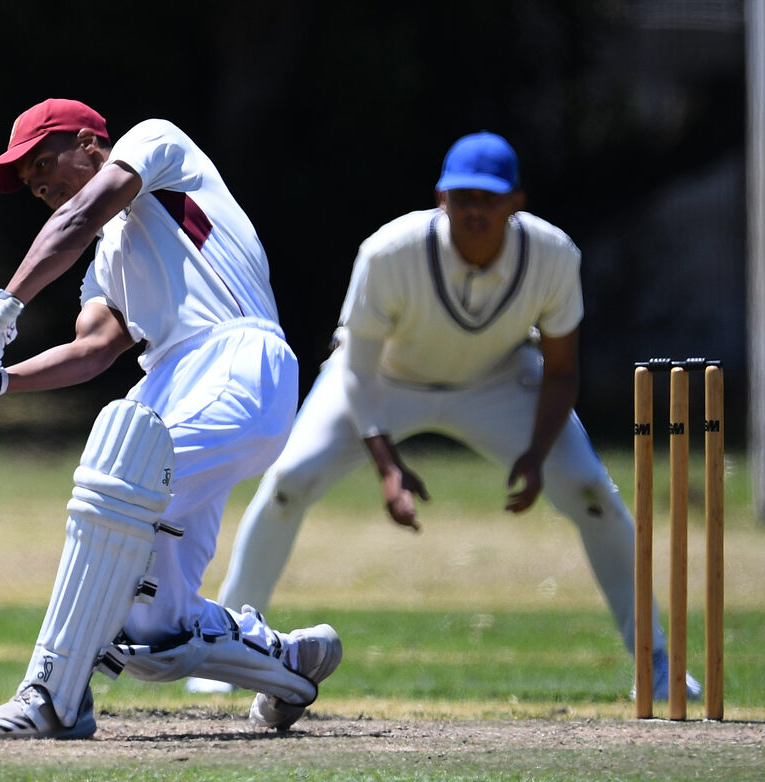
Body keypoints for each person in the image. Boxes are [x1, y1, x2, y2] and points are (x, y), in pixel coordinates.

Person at [186, 131, 700, 702]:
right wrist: (387, 467)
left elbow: (560, 370)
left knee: (591, 492)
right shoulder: (390, 251)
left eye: (489, 198)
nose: (475, 211)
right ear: (441, 198)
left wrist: (535, 454)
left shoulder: (553, 254)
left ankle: (657, 661)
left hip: (499, 379)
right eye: (463, 198)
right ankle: (226, 655)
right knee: (287, 482)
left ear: (516, 202)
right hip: (384, 377)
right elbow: (353, 369)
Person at [0, 98, 341, 739]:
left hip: (237, 359)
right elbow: (93, 351)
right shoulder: (107, 260)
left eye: (45, 163)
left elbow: (80, 216)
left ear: (89, 142)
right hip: (170, 384)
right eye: (31, 183)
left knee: (113, 485)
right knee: (153, 631)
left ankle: (52, 698)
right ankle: (290, 662)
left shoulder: (157, 143)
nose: (42, 185)